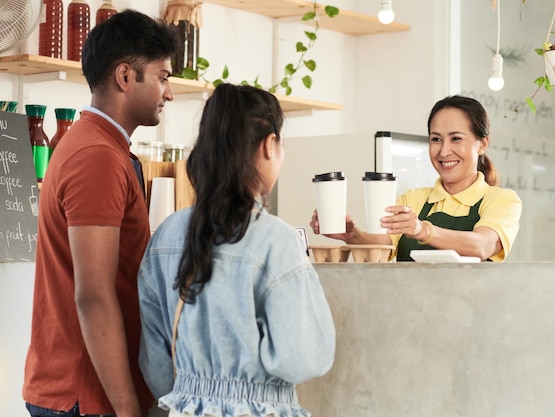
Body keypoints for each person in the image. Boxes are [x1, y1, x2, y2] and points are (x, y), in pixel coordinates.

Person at [137, 83, 336, 417]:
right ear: (269, 145)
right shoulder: (276, 240)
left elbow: (155, 361)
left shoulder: (167, 235)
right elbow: (302, 358)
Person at [22, 10, 178, 417]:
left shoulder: (98, 146)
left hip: (81, 390)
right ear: (126, 77)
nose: (170, 92)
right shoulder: (98, 157)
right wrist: (128, 410)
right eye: (162, 77)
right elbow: (94, 297)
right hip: (86, 394)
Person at [310, 95, 522, 262]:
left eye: (456, 139)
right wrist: (351, 235)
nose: (444, 151)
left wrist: (421, 230)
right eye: (436, 139)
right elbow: (382, 245)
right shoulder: (412, 199)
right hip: (410, 311)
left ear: (482, 144)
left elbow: (481, 246)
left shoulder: (501, 200)